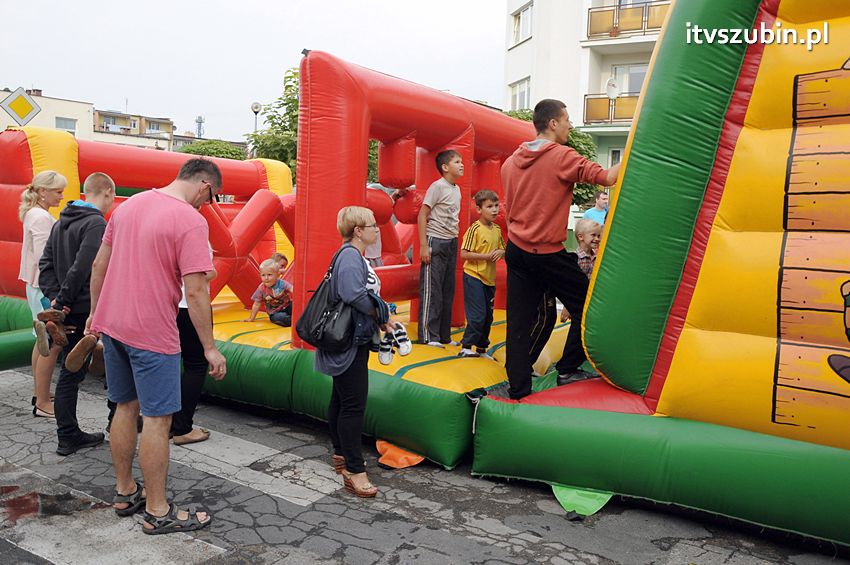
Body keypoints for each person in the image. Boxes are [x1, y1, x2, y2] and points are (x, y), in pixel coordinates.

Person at [86, 158, 226, 534]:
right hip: (152, 332)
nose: (207, 205)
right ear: (204, 185)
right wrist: (209, 347)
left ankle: (124, 491)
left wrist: (94, 315)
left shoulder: (128, 206)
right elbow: (196, 291)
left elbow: (100, 265)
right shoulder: (190, 220)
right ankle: (158, 509)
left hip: (113, 324)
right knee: (158, 420)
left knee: (124, 408)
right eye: (211, 198)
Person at [501, 99, 620, 400]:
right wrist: (634, 148)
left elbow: (510, 209)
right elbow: (607, 178)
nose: (570, 124)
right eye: (567, 119)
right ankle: (567, 369)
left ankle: (518, 391)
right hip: (546, 254)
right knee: (589, 308)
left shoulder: (510, 163)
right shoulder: (562, 157)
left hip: (516, 250)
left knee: (518, 324)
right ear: (553, 123)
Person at [39, 173, 115, 455]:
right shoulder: (96, 223)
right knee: (106, 368)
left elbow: (45, 263)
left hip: (65, 308)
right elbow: (86, 266)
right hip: (87, 311)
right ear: (106, 192)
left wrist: (55, 299)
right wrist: (65, 300)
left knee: (68, 373)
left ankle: (67, 433)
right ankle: (114, 421)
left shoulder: (62, 220)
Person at [316, 206, 389, 498]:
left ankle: (340, 456)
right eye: (372, 225)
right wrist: (383, 313)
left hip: (347, 338)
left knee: (341, 398)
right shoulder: (349, 256)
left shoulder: (350, 255)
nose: (377, 229)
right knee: (353, 405)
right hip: (348, 340)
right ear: (358, 230)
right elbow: (353, 294)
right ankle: (355, 471)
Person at [18, 170, 66, 418]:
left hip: (34, 283)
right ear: (43, 191)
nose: (61, 196)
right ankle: (43, 402)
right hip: (43, 285)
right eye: (58, 191)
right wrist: (56, 289)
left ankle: (41, 393)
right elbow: (43, 257)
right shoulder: (41, 217)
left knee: (42, 342)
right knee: (51, 343)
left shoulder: (33, 213)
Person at [171, 243, 216, 446]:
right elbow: (197, 277)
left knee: (168, 362)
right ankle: (182, 427)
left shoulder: (159, 223)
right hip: (189, 307)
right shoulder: (193, 226)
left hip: (166, 305)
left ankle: (165, 422)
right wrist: (210, 347)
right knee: (196, 365)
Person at [418, 150, 463, 347]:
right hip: (435, 241)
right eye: (457, 162)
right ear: (445, 167)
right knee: (432, 290)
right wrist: (423, 246)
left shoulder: (457, 189)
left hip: (451, 242)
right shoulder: (437, 187)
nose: (462, 165)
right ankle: (428, 335)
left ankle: (444, 335)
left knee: (447, 290)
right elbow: (422, 215)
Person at [458, 190, 505, 359]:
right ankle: (466, 346)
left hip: (489, 279)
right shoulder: (475, 229)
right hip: (474, 276)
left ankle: (481, 348)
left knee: (488, 316)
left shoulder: (497, 229)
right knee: (477, 314)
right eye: (489, 206)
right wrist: (485, 256)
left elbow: (502, 249)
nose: (494, 210)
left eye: (496, 206)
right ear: (479, 209)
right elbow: (464, 254)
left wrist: (501, 252)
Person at [243, 259, 294, 326]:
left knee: (294, 305)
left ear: (277, 275)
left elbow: (292, 289)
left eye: (269, 275)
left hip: (287, 306)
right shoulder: (261, 288)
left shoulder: (282, 283)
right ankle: (293, 320)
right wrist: (251, 318)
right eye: (263, 275)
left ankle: (299, 317)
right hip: (275, 312)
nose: (266, 278)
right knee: (281, 318)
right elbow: (256, 304)